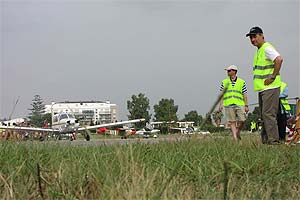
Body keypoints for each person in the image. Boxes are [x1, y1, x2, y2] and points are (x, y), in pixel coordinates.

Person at [246, 26, 283, 144]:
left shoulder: (267, 48)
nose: (252, 40)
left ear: (262, 36)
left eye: (254, 36)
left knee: (268, 115)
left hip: (270, 88)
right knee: (264, 115)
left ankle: (273, 142)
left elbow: (279, 59)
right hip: (263, 89)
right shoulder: (259, 50)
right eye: (251, 37)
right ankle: (266, 141)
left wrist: (272, 76)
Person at [219, 65, 249, 141]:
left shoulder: (242, 82)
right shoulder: (224, 82)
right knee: (232, 122)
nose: (227, 72)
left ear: (234, 71)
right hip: (228, 104)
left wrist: (246, 105)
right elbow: (221, 94)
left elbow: (244, 94)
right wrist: (221, 104)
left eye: (229, 71)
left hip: (240, 104)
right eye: (227, 71)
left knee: (243, 120)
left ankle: (238, 131)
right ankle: (235, 139)